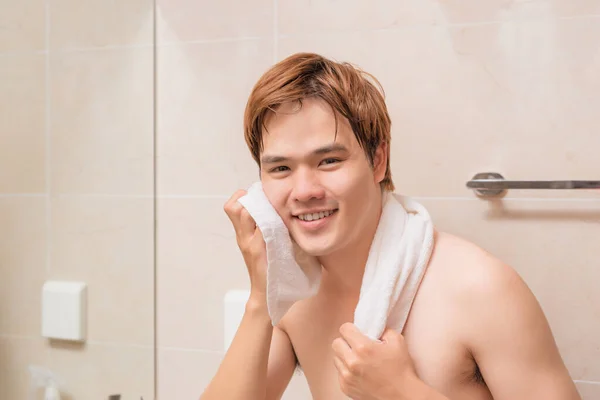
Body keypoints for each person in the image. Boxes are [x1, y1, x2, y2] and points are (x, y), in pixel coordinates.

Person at [200, 52, 581, 400]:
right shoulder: (292, 296)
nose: (304, 191)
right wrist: (259, 299)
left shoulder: (479, 289)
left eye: (329, 161)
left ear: (378, 161)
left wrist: (404, 392)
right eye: (280, 168)